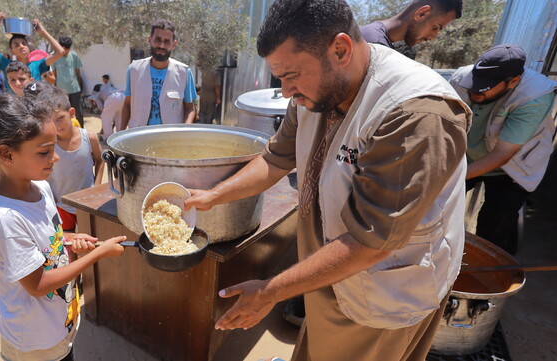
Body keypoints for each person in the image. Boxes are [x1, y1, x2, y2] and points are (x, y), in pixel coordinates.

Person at [183, 1, 471, 360]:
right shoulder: (313, 92)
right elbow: (275, 160)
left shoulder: (415, 114)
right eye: (280, 78)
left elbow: (372, 241)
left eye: (291, 76)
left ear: (340, 49)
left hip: (382, 293)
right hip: (330, 275)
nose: (286, 91)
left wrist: (271, 290)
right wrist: (213, 196)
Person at [0, 93, 127, 360]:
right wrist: (96, 255)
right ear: (7, 155)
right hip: (34, 343)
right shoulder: (5, 218)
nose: (55, 158)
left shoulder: (41, 188)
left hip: (57, 324)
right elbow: (38, 284)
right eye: (44, 151)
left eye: (53, 148)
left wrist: (69, 238)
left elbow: (46, 238)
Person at [449, 44, 557, 256]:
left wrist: (450, 177)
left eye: (484, 89)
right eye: (474, 84)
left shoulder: (534, 95)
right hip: (468, 157)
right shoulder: (462, 78)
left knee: (494, 229)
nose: (474, 92)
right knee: (439, 208)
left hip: (511, 167)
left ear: (514, 81)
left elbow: (501, 154)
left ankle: (485, 276)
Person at [27, 85, 103, 231]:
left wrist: (97, 188)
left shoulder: (89, 137)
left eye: (60, 118)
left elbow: (100, 161)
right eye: (50, 121)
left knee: (88, 241)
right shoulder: (47, 145)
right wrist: (50, 198)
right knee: (66, 244)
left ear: (72, 113)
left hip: (86, 204)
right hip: (60, 205)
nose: (56, 126)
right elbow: (40, 172)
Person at [120, 19, 197, 130]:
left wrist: (183, 132)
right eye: (158, 39)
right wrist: (120, 136)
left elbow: (190, 108)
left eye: (167, 41)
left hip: (170, 139)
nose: (161, 46)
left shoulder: (184, 72)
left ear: (174, 44)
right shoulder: (134, 69)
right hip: (139, 139)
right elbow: (127, 105)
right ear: (150, 40)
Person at [0, 12, 65, 90]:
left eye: (24, 43)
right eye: (16, 45)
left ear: (29, 49)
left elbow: (60, 51)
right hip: (15, 107)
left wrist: (43, 32)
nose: (21, 46)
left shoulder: (38, 65)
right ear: (12, 51)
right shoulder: (6, 64)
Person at [360, 0, 462, 57]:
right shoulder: (375, 46)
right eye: (435, 27)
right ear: (422, 14)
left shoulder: (374, 35)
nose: (432, 38)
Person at [52, 36, 85, 127]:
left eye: (68, 49)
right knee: (63, 113)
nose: (66, 51)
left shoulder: (74, 55)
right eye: (63, 49)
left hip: (75, 89)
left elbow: (78, 73)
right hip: (61, 91)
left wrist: (81, 89)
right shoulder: (53, 56)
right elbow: (54, 75)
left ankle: (81, 131)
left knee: (78, 112)